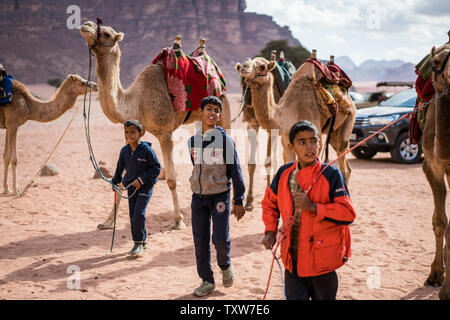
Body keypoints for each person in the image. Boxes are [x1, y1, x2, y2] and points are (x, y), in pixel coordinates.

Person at [261, 120, 356, 300]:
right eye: (302, 142)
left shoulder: (331, 175)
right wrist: (270, 231)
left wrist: (313, 207)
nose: (309, 147)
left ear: (320, 142)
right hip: (292, 260)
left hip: (322, 262)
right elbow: (269, 204)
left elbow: (347, 213)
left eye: (313, 141)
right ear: (292, 146)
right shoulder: (284, 173)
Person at [188, 96, 246, 297]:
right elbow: (196, 166)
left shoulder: (225, 141)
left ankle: (225, 265)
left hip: (220, 195)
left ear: (219, 116)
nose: (212, 113)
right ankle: (207, 280)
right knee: (200, 241)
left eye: (216, 110)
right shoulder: (193, 141)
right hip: (198, 197)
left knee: (220, 238)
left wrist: (238, 200)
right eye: (208, 109)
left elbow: (235, 170)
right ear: (201, 112)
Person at [112, 120, 161, 257]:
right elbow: (119, 168)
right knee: (133, 216)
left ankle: (137, 243)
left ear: (141, 133)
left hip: (145, 187)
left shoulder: (147, 151)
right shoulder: (125, 151)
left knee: (139, 213)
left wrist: (142, 180)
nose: (129, 135)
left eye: (133, 132)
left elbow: (156, 168)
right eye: (126, 132)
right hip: (130, 188)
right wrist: (115, 181)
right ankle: (142, 240)